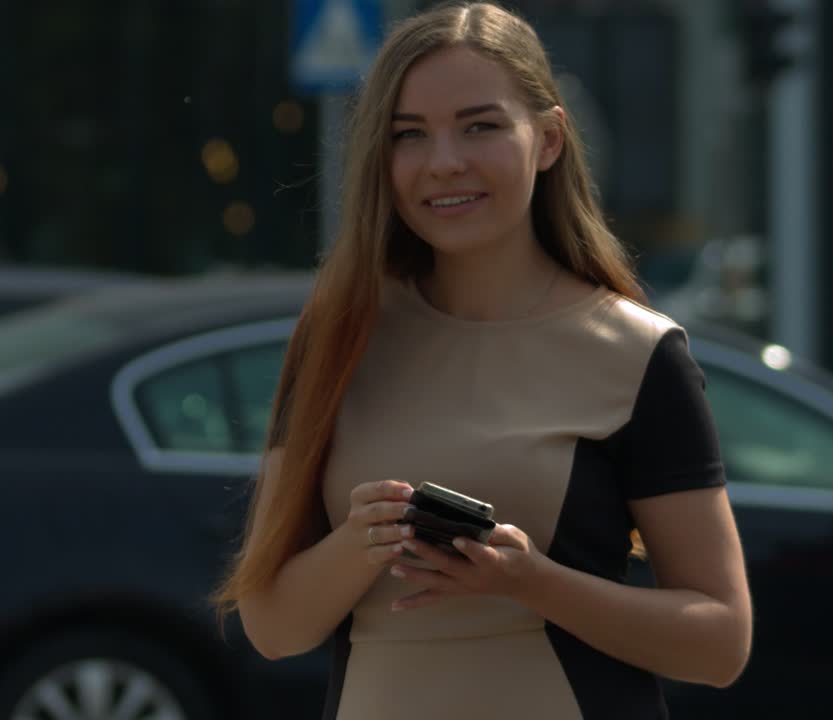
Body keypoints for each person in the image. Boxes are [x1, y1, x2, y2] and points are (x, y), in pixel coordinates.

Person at [212, 2, 752, 718]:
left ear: (550, 139)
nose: (444, 163)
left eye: (481, 126)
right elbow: (273, 628)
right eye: (411, 135)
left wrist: (530, 582)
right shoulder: (339, 333)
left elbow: (720, 643)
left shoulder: (640, 353)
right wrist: (362, 541)